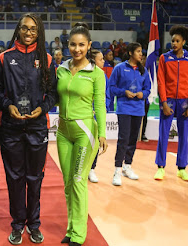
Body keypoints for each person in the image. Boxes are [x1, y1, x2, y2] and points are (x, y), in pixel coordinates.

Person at [0, 13, 57, 245]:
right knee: (15, 178)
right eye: (24, 28)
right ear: (18, 30)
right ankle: (18, 224)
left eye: (33, 29)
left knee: (35, 178)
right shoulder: (3, 58)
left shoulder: (47, 59)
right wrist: (8, 105)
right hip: (11, 127)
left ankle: (34, 224)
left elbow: (52, 94)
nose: (28, 33)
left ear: (39, 32)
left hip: (37, 127)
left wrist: (42, 108)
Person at [56, 23, 107, 246]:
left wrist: (103, 133)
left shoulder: (97, 73)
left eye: (81, 45)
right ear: (68, 45)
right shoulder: (61, 69)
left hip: (85, 131)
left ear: (89, 46)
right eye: (73, 45)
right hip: (62, 132)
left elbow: (101, 105)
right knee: (68, 183)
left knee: (78, 180)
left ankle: (79, 234)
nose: (77, 49)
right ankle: (71, 228)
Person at [110, 42, 151, 186]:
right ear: (130, 53)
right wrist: (124, 92)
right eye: (138, 51)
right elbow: (112, 88)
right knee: (123, 139)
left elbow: (148, 89)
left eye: (142, 52)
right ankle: (117, 170)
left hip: (138, 110)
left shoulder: (143, 70)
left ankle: (128, 166)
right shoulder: (119, 68)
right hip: (124, 109)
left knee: (133, 139)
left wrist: (142, 94)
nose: (141, 54)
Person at [154, 25, 188, 181]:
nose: (174, 43)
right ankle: (160, 167)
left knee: (185, 136)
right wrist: (164, 102)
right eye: (172, 40)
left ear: (183, 42)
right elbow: (161, 81)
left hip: (185, 101)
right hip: (168, 101)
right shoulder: (164, 58)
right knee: (163, 134)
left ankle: (182, 168)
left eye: (177, 41)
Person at [87, 49, 111, 183]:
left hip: (97, 116)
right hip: (85, 115)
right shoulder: (83, 73)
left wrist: (102, 107)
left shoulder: (103, 75)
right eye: (101, 59)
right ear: (93, 61)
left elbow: (106, 96)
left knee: (96, 143)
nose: (104, 61)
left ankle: (92, 169)